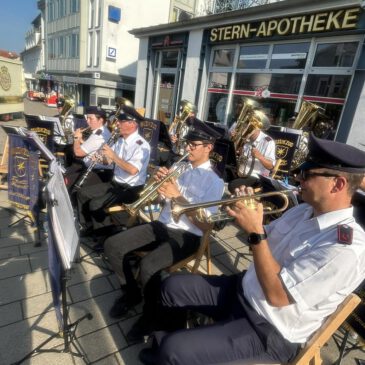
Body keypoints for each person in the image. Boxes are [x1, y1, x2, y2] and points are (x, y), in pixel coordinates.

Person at [139, 133, 365, 365]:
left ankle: (172, 351)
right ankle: (169, 344)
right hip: (245, 289)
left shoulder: (345, 248)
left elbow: (278, 296)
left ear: (337, 184)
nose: (298, 178)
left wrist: (255, 231)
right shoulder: (304, 210)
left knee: (175, 350)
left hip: (269, 327)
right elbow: (263, 242)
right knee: (171, 286)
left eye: (307, 173)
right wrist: (246, 214)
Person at [103, 121, 225, 335]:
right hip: (162, 224)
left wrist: (177, 196)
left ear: (208, 147)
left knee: (149, 266)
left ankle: (149, 318)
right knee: (112, 244)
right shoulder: (180, 167)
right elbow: (160, 202)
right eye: (188, 143)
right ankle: (131, 294)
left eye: (194, 145)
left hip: (187, 235)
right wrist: (158, 187)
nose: (188, 148)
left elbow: (206, 224)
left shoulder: (214, 182)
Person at [76, 111, 151, 235]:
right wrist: (101, 158)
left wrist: (113, 156)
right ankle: (87, 226)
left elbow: (132, 170)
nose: (117, 125)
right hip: (115, 183)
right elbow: (109, 161)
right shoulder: (121, 140)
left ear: (132, 124)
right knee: (82, 193)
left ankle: (105, 234)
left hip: (130, 189)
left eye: (121, 122)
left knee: (96, 204)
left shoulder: (141, 145)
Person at [63, 106, 113, 191]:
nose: (87, 121)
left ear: (100, 120)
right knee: (63, 174)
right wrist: (81, 141)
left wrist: (76, 138)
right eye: (87, 118)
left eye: (91, 118)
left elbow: (78, 153)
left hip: (97, 171)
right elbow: (93, 146)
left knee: (65, 182)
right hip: (89, 166)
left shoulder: (98, 135)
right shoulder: (101, 131)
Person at [228, 124, 276, 193]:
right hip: (240, 173)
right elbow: (236, 155)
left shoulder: (268, 141)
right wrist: (233, 140)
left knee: (232, 185)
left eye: (250, 127)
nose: (246, 130)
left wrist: (260, 156)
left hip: (256, 177)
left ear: (258, 128)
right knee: (221, 174)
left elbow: (271, 166)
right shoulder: (246, 138)